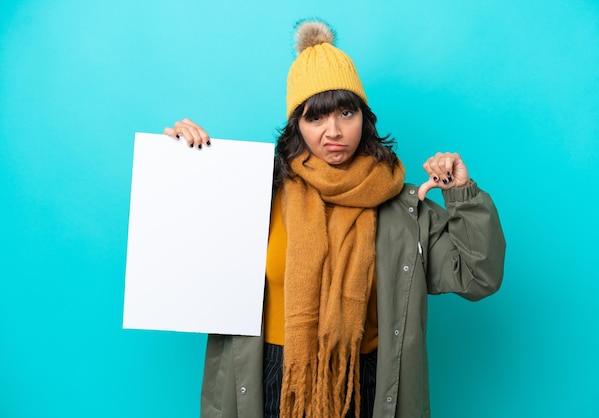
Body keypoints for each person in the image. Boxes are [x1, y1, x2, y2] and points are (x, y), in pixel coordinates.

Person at [164, 19, 505, 418]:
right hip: (272, 378)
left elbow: (478, 276)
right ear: (297, 126)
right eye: (315, 118)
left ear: (365, 117)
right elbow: (187, 267)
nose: (334, 131)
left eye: (346, 112)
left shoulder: (404, 208)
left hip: (367, 384)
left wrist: (461, 194)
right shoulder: (257, 194)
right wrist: (184, 165)